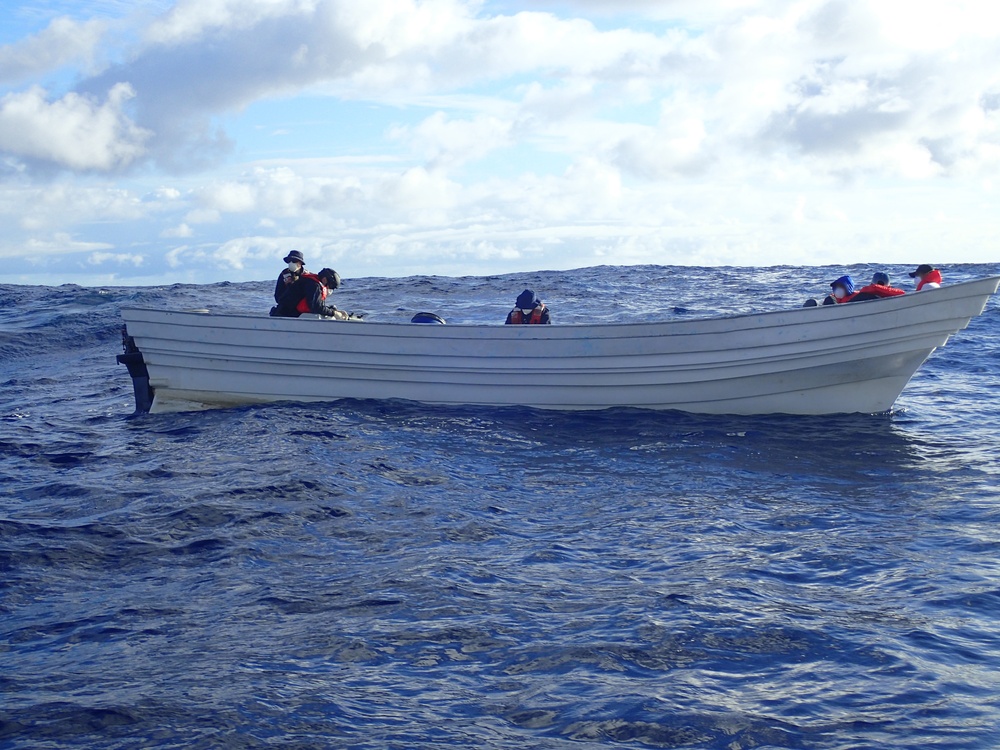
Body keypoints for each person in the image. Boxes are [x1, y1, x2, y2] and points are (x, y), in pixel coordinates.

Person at [270, 267, 346, 318]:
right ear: (325, 279)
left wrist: (332, 310)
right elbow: (316, 308)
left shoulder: (311, 282)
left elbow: (316, 305)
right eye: (331, 286)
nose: (329, 288)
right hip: (285, 314)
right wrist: (334, 313)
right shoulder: (314, 285)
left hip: (286, 312)